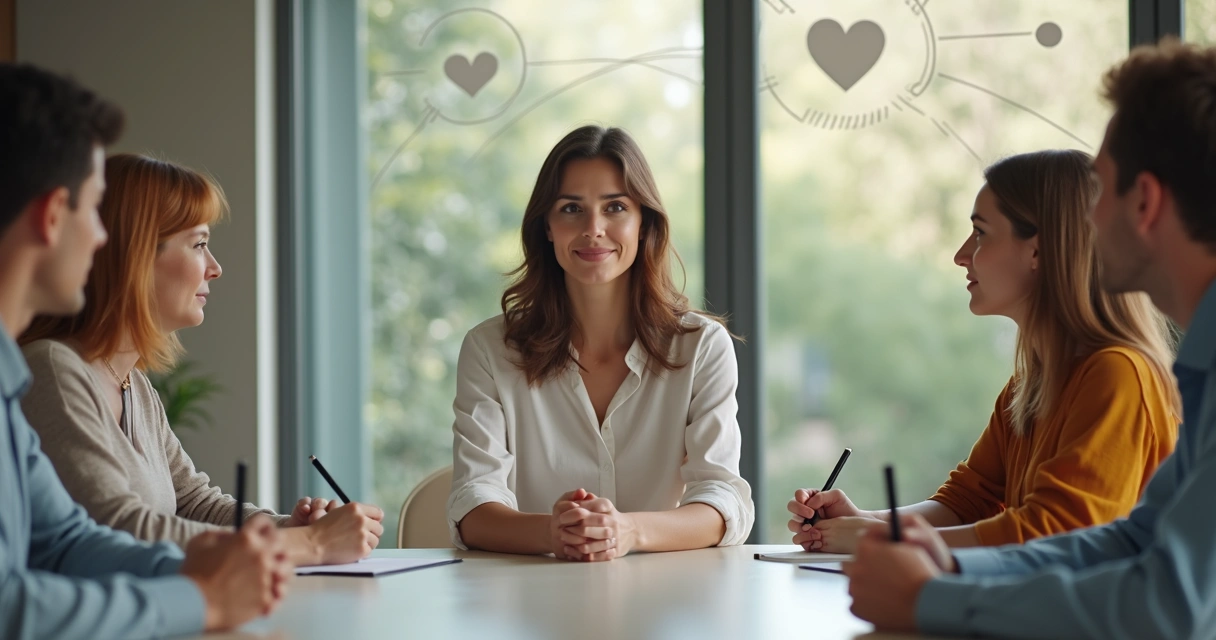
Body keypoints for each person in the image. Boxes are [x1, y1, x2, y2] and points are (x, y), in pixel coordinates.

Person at [842, 39, 1216, 638]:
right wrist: (946, 565)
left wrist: (935, 597)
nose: (1086, 222)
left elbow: (1169, 606)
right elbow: (1132, 539)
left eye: (1102, 190)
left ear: (1143, 201)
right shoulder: (1201, 370)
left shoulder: (1129, 372)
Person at [0, 62, 290, 638]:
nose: (104, 238)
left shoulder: (10, 380)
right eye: (92, 209)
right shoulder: (49, 370)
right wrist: (200, 600)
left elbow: (65, 541)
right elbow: (10, 606)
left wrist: (217, 569)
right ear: (53, 216)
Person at [787, 149, 1181, 554]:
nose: (960, 255)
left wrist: (885, 538)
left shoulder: (1118, 375)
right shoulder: (1032, 384)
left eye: (980, 233)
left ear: (1037, 251)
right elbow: (967, 504)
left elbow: (1057, 534)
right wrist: (863, 521)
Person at [18, 152, 385, 566]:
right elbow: (116, 526)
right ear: (135, 257)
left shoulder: (131, 382)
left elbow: (190, 501)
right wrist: (310, 546)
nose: (215, 268)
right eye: (200, 245)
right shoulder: (53, 370)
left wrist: (287, 529)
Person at [446, 125, 754, 560]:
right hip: (529, 606)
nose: (593, 228)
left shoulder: (702, 347)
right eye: (571, 208)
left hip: (669, 606)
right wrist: (554, 534)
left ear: (643, 223)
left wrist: (626, 531)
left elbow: (723, 502)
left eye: (615, 207)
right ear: (547, 228)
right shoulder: (489, 349)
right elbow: (472, 504)